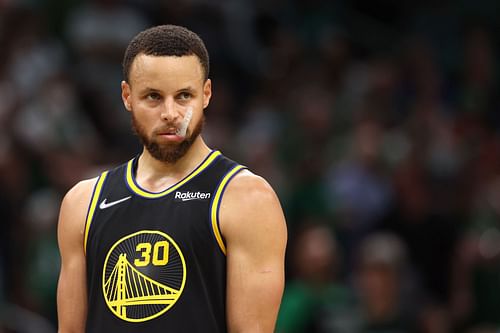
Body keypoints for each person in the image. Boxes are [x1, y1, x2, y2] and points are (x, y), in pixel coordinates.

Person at [57, 24, 287, 333]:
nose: (170, 113)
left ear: (206, 94)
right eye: (153, 96)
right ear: (127, 96)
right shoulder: (82, 202)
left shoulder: (247, 198)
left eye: (184, 96)